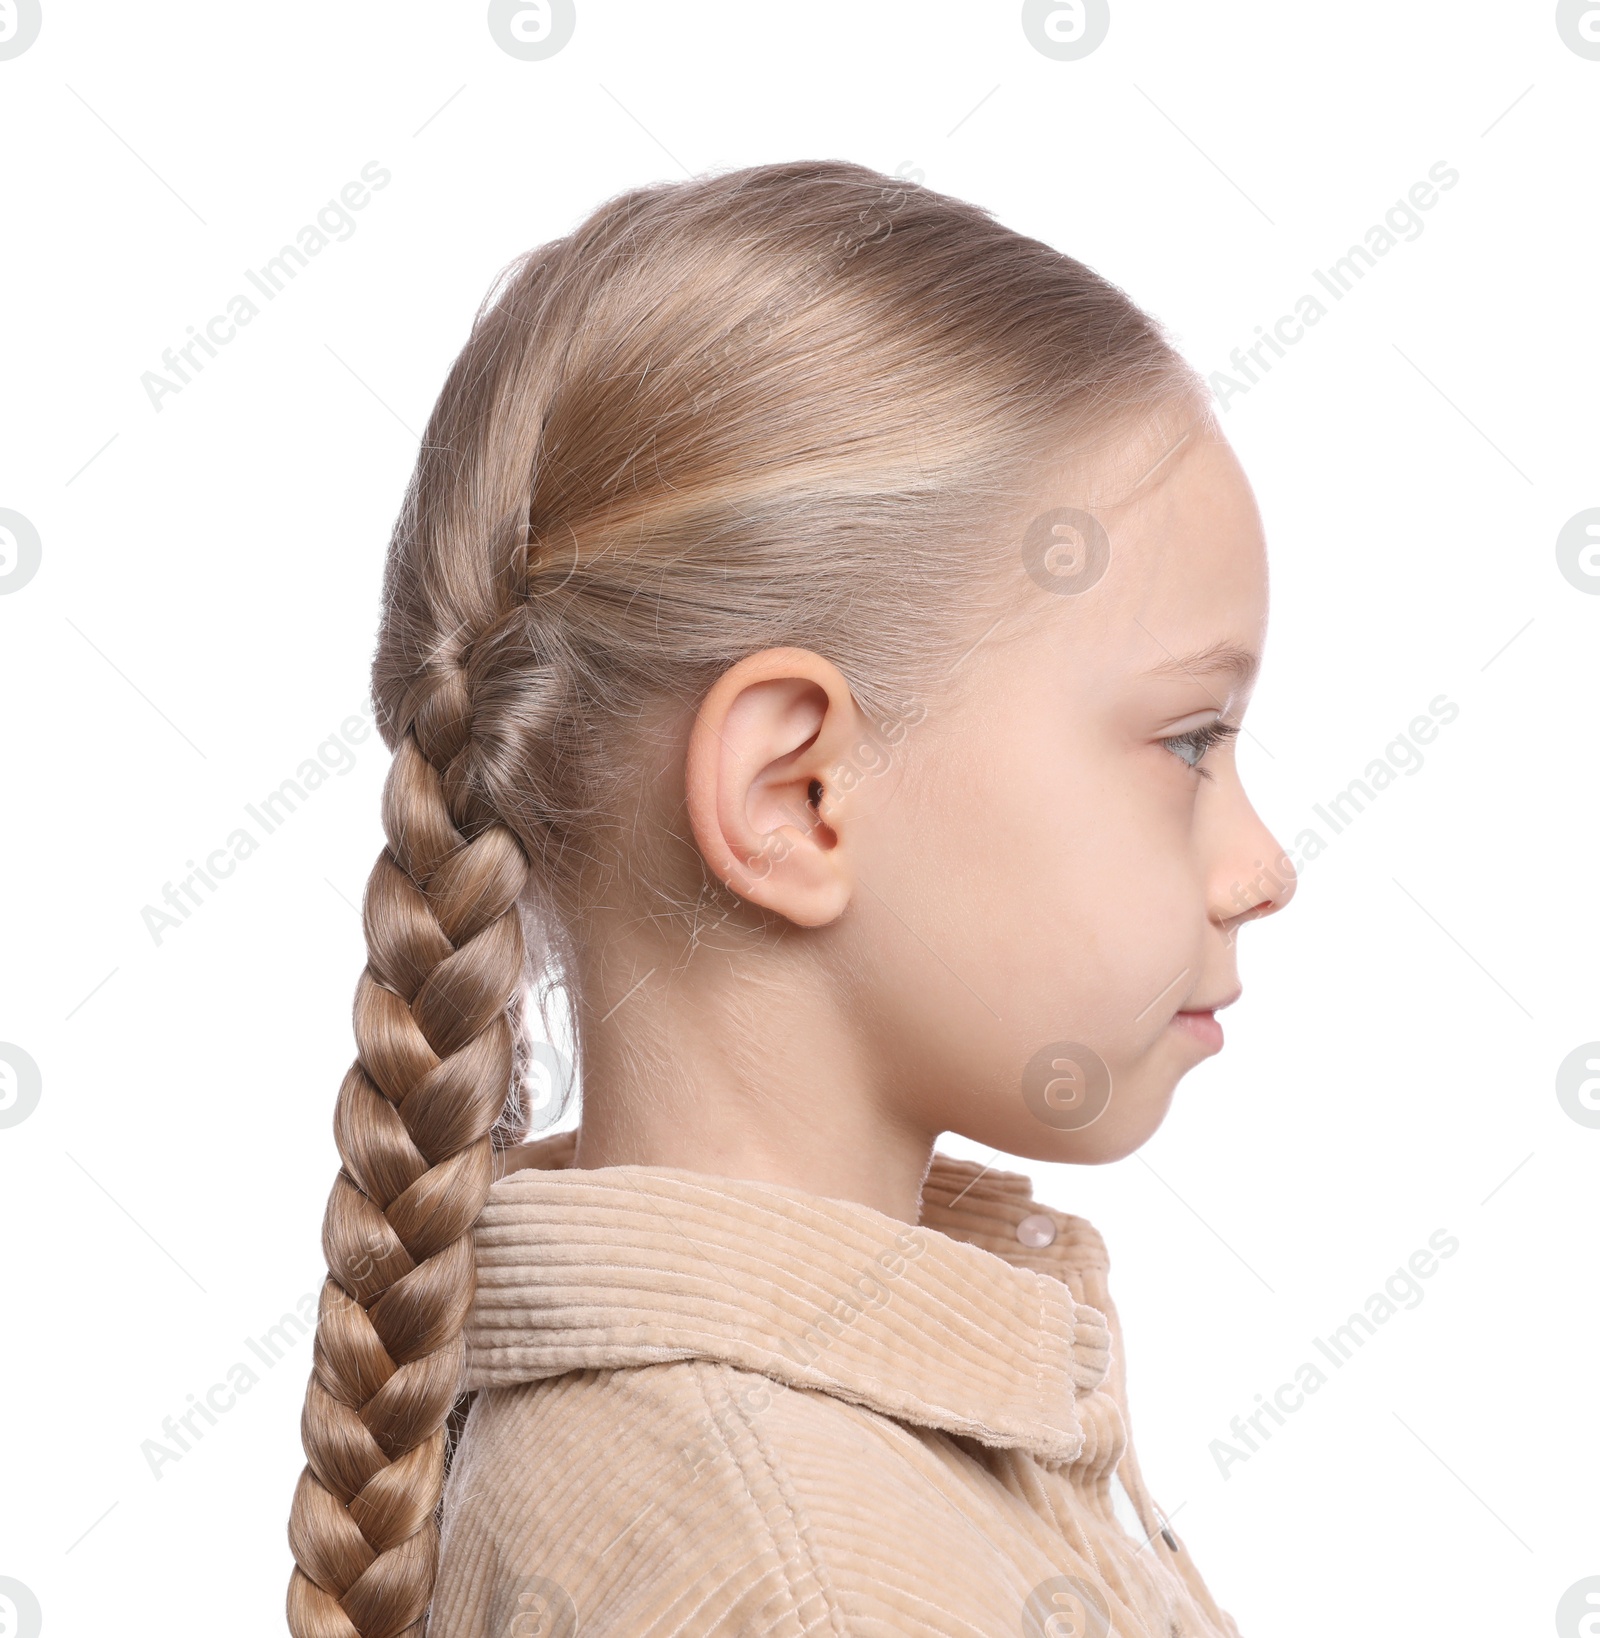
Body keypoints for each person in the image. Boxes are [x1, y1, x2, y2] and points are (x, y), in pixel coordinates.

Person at [283, 159, 1295, 1638]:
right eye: (1189, 741)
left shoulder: (789, 1479)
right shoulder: (801, 1575)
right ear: (796, 795)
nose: (1260, 864)